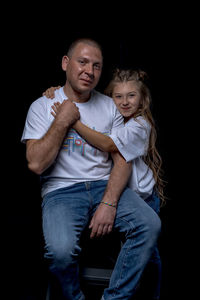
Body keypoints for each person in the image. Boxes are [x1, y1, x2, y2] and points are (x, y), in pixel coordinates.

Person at [21, 38, 161, 300]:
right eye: (82, 62)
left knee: (149, 224)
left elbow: (121, 158)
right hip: (61, 192)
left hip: (102, 186)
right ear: (66, 63)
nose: (89, 71)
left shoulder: (110, 105)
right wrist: (62, 120)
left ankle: (114, 298)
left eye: (96, 66)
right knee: (60, 252)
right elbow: (36, 163)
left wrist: (108, 203)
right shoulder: (42, 106)